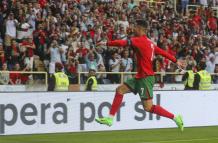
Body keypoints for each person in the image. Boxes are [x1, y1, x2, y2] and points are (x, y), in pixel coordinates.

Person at [95, 19, 185, 131]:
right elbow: (163, 52)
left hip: (145, 78)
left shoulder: (139, 40)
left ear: (140, 29)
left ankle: (175, 118)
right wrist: (176, 60)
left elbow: (122, 43)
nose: (133, 29)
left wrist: (106, 43)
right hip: (140, 77)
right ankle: (110, 118)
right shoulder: (151, 43)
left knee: (148, 107)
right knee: (120, 90)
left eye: (135, 27)